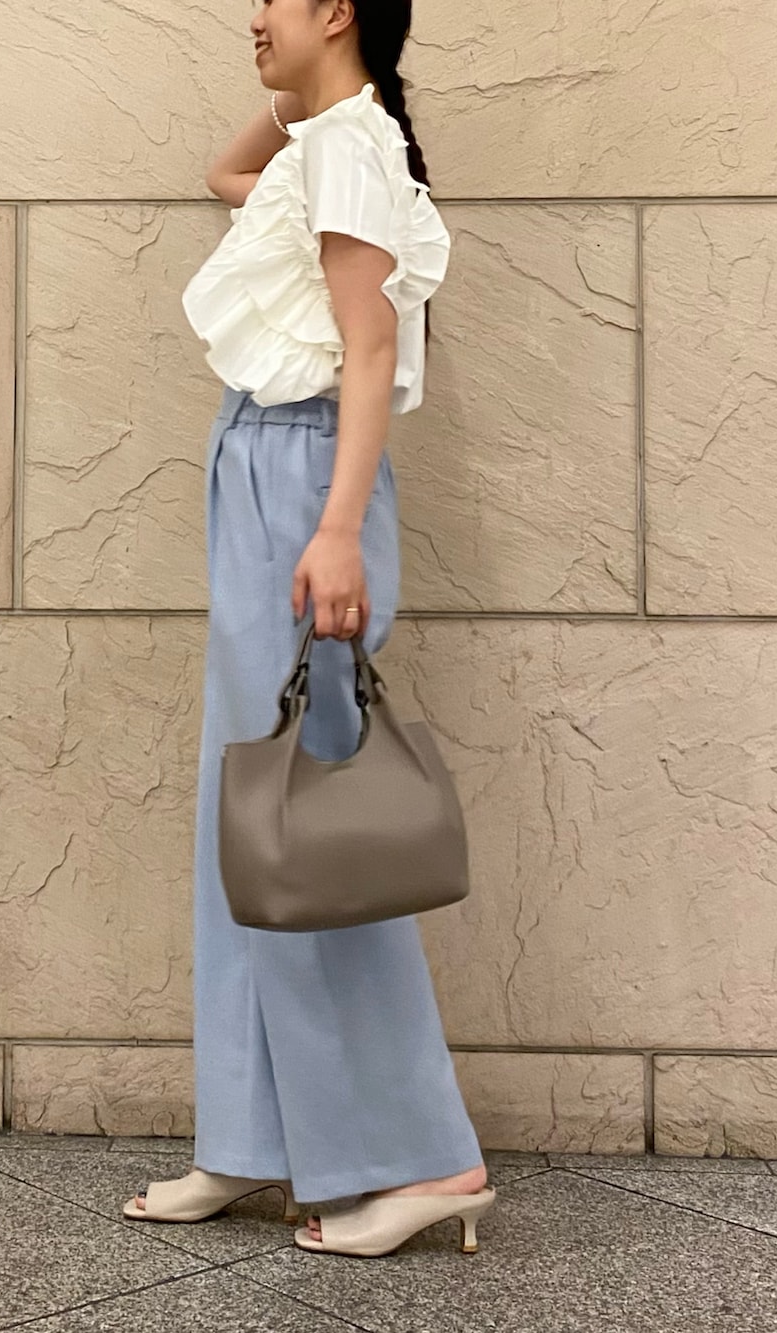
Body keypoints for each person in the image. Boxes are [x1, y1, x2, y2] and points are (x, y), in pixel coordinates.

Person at [122, 0, 496, 1257]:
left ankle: (427, 1158)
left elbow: (368, 342)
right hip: (262, 466)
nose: (251, 15)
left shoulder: (349, 149)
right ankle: (252, 1136)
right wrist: (302, 87)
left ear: (336, 7)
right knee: (251, 816)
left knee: (313, 827)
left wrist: (335, 531)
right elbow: (224, 174)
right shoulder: (330, 140)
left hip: (300, 478)